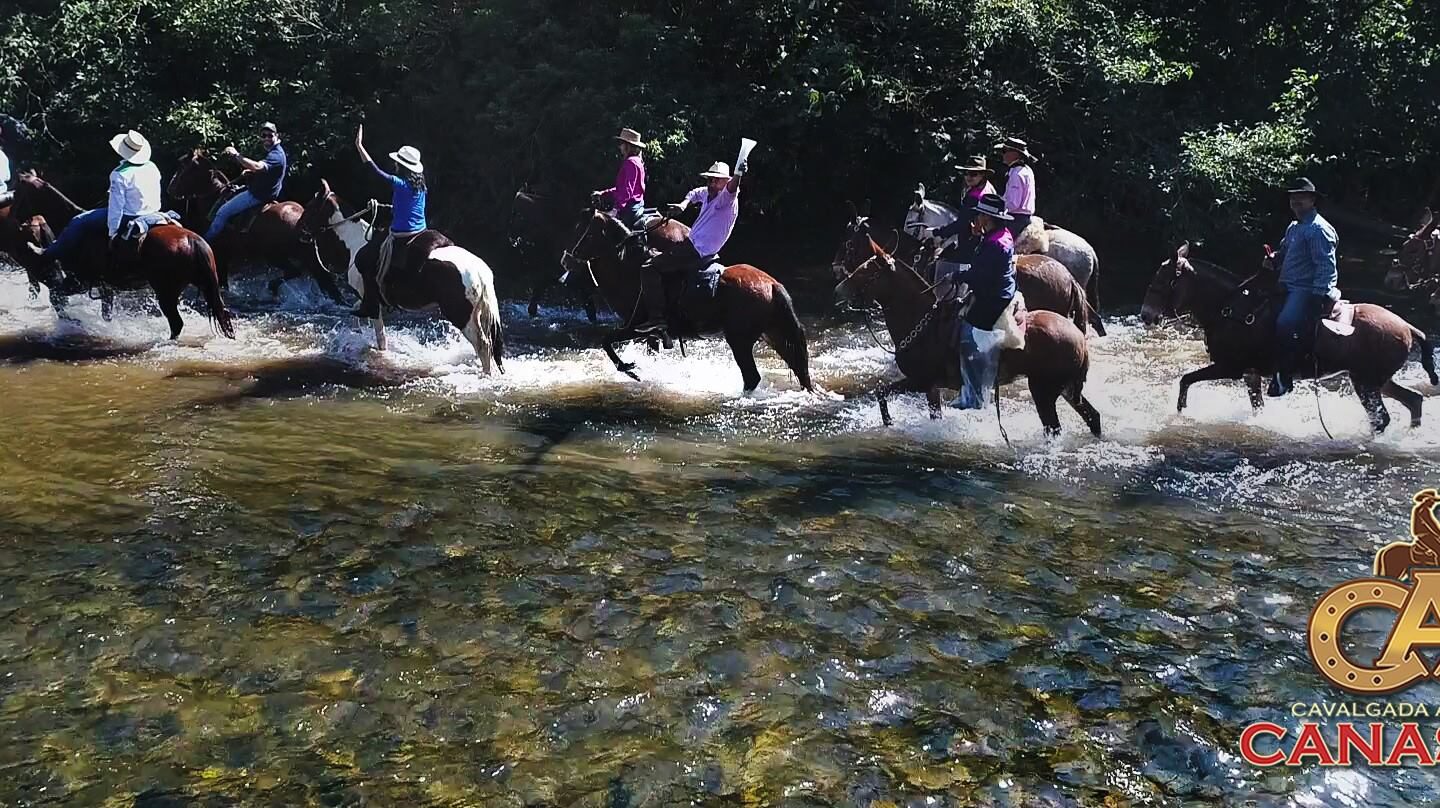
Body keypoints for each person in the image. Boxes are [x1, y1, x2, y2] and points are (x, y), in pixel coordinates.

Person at [635, 158, 746, 335]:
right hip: (693, 245)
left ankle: (656, 319)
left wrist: (739, 174)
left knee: (648, 268)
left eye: (716, 180)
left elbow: (733, 187)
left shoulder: (727, 198)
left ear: (725, 182)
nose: (711, 182)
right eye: (709, 179)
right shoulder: (708, 193)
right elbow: (695, 193)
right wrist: (683, 205)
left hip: (697, 250)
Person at [27, 130, 162, 263]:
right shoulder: (152, 166)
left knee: (78, 221)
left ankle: (49, 253)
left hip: (130, 215)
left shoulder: (119, 174)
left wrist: (113, 232)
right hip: (153, 213)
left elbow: (116, 207)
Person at [351, 124, 436, 319]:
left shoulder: (400, 183)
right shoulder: (421, 186)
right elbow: (410, 209)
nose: (394, 165)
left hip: (402, 235)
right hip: (421, 231)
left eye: (397, 163)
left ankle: (371, 305)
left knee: (364, 258)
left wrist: (359, 146)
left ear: (402, 166)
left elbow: (374, 171)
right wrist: (386, 208)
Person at [1264, 177, 1339, 397]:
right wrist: (1274, 259)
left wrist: (1318, 295)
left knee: (1285, 322)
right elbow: (1285, 253)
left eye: (1301, 197)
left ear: (1312, 200)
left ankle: (1285, 376)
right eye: (1293, 198)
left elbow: (1325, 265)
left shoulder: (1318, 229)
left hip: (1305, 288)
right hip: (1287, 284)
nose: (1296, 201)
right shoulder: (1294, 227)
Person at [947, 193, 1017, 410]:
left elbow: (979, 275)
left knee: (968, 337)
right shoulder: (1000, 235)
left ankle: (975, 396)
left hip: (992, 297)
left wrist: (956, 276)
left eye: (980, 215)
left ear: (989, 218)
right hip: (1001, 289)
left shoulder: (994, 244)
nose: (977, 218)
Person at [204, 121, 286, 243]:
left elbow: (258, 166)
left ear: (277, 136)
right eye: (264, 135)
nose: (267, 138)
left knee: (222, 212)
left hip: (258, 194)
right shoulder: (275, 152)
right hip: (266, 191)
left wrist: (236, 155)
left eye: (270, 135)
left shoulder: (276, 155)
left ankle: (206, 242)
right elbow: (267, 171)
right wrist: (252, 173)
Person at [925, 155, 998, 265]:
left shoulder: (974, 197)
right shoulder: (988, 187)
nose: (968, 177)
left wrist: (937, 232)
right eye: (966, 173)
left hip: (972, 243)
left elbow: (962, 224)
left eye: (973, 174)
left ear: (982, 175)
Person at [593, 127, 647, 232]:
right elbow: (621, 188)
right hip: (636, 204)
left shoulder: (630, 162)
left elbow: (627, 190)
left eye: (621, 144)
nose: (620, 147)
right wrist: (603, 193)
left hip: (630, 207)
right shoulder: (637, 161)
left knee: (611, 233)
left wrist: (616, 209)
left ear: (627, 146)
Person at [995, 136, 1036, 237]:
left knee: (995, 241)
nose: (1002, 154)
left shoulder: (1016, 174)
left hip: (1015, 219)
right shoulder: (1027, 170)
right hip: (1024, 217)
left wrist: (997, 207)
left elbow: (1013, 204)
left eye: (1004, 151)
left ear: (1015, 154)